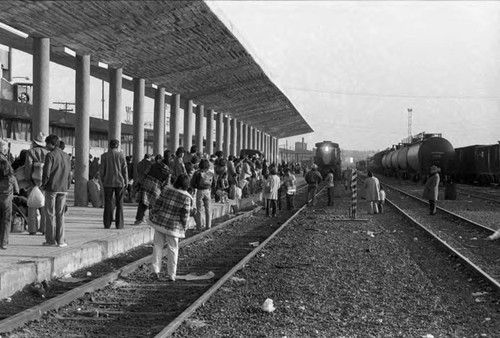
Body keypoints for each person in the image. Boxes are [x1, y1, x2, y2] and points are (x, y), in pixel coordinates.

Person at [148, 174, 193, 281]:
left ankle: (155, 271)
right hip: (174, 227)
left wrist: (152, 214)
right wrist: (185, 226)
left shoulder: (166, 190)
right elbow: (185, 215)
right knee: (173, 249)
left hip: (160, 223)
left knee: (157, 246)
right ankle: (171, 275)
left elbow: (157, 204)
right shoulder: (186, 197)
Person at [42, 134, 72, 247]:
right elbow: (69, 174)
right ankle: (61, 241)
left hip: (52, 188)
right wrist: (67, 186)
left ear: (52, 144)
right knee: (60, 214)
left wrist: (43, 185)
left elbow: (46, 173)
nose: (46, 146)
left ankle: (50, 240)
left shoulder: (50, 155)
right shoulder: (66, 156)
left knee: (50, 214)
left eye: (47, 143)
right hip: (63, 188)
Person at [134, 154, 170, 225]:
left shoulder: (153, 165)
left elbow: (145, 174)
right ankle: (152, 219)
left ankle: (139, 219)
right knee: (154, 204)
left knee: (143, 203)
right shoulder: (167, 171)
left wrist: (140, 182)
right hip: (156, 187)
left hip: (146, 183)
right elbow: (166, 183)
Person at [100, 139, 128, 229]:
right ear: (117, 145)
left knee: (108, 203)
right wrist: (126, 181)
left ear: (109, 145)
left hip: (107, 182)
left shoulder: (104, 156)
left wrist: (102, 180)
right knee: (119, 203)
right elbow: (124, 170)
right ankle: (119, 224)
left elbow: (102, 170)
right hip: (119, 182)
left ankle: (107, 223)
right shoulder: (121, 155)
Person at [25, 132, 49, 235]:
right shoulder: (48, 153)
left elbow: (28, 167)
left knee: (32, 205)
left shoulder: (31, 152)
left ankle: (32, 229)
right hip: (44, 182)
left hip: (33, 180)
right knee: (44, 205)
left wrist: (28, 179)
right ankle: (44, 229)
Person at [0, 157, 19, 250]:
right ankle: (3, 243)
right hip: (7, 202)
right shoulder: (12, 178)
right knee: (6, 222)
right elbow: (17, 190)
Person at [191, 159, 214, 231]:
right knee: (208, 209)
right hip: (208, 191)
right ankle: (208, 226)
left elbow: (192, 183)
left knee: (199, 210)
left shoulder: (197, 173)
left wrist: (196, 186)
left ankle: (199, 227)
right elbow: (214, 183)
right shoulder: (210, 173)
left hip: (200, 191)